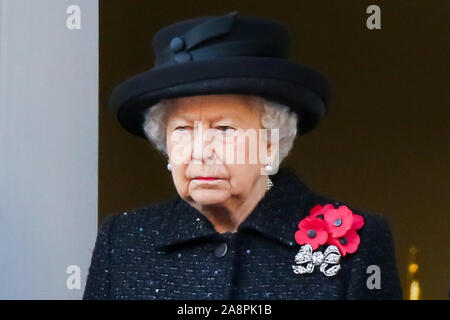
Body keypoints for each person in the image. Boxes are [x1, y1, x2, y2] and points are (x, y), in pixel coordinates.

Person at [83, 11, 403, 300]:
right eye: (182, 129)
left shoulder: (360, 244)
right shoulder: (122, 241)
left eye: (224, 129)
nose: (199, 151)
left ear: (270, 143)